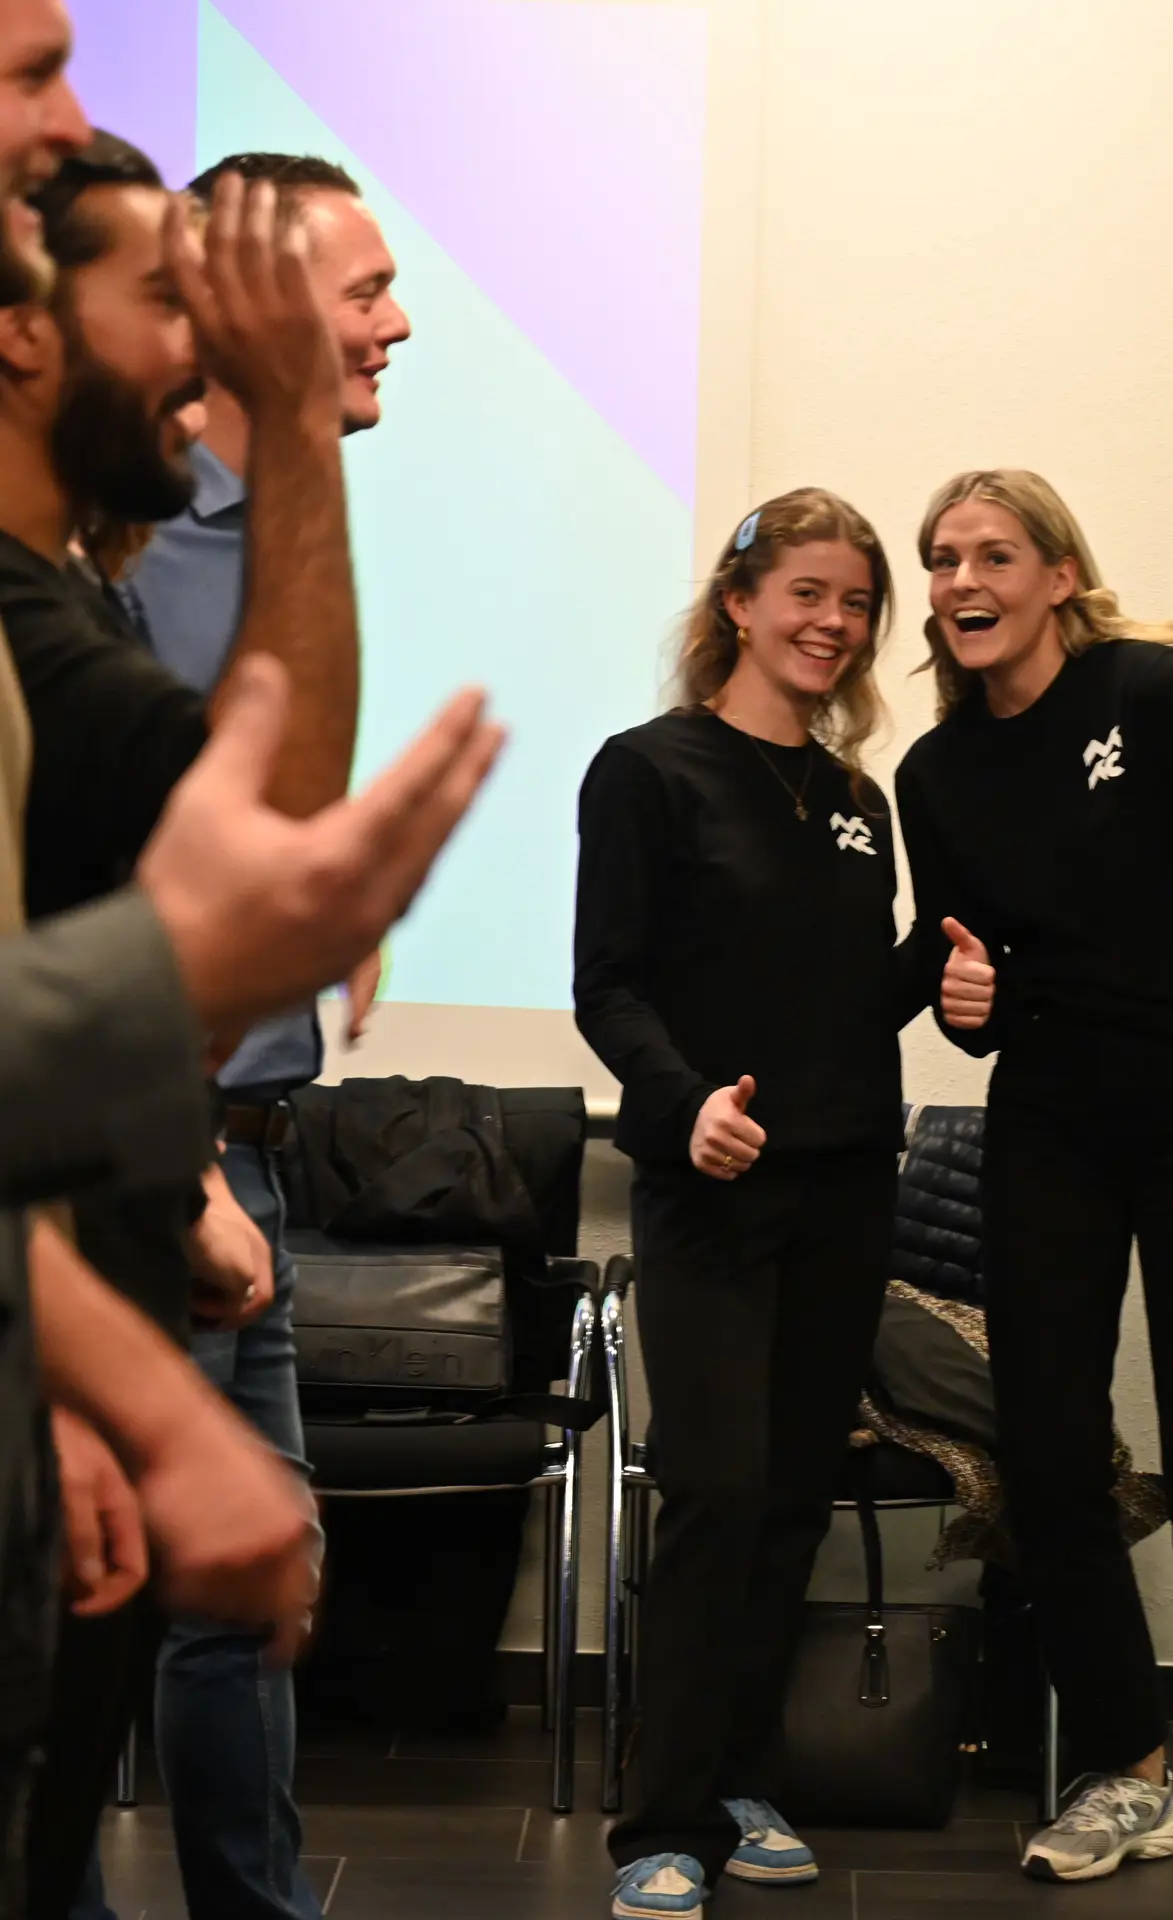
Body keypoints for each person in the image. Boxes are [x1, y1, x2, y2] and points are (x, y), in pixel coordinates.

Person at [894, 470, 1173, 1920]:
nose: (962, 581)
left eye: (994, 554)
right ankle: (1128, 1771)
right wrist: (963, 1003)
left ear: (1056, 575)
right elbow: (973, 990)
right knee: (1047, 1464)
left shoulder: (1149, 698)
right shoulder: (936, 773)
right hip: (1052, 1123)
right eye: (942, 559)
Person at [574, 488, 992, 1918]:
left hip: (847, 1181)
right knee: (715, 1492)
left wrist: (947, 971)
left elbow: (849, 1001)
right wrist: (683, 1100)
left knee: (791, 1501)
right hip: (711, 1184)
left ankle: (741, 1777)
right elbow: (608, 983)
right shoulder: (647, 770)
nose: (835, 623)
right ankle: (660, 1821)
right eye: (809, 592)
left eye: (858, 602)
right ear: (740, 603)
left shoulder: (857, 801)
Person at [90, 145, 408, 1920]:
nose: (398, 323)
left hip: (253, 1154)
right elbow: (102, 875)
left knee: (248, 1595)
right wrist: (183, 1149)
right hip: (164, 1159)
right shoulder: (126, 542)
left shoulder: (291, 512)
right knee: (106, 1595)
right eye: (366, 289)